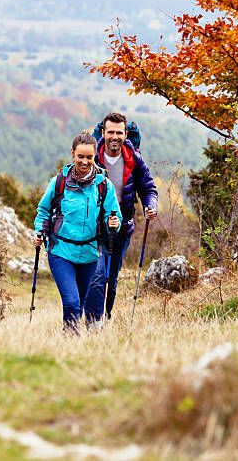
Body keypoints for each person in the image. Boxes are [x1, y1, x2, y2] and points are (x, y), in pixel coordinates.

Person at [33, 131, 122, 332]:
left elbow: (113, 216)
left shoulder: (103, 186)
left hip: (90, 254)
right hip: (61, 252)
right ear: (72, 153)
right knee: (72, 302)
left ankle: (71, 342)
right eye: (80, 156)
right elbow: (43, 211)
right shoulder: (59, 182)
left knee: (79, 305)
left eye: (89, 157)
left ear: (94, 157)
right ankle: (71, 340)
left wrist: (114, 223)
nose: (84, 161)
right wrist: (40, 231)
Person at [84, 112, 158, 326]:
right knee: (96, 275)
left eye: (119, 132)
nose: (114, 137)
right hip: (94, 228)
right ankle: (92, 322)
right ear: (103, 133)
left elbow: (148, 188)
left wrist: (150, 206)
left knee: (111, 279)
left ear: (125, 134)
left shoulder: (133, 158)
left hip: (122, 228)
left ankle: (105, 316)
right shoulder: (93, 157)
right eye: (110, 132)